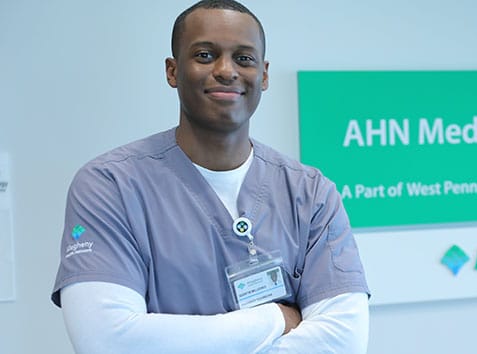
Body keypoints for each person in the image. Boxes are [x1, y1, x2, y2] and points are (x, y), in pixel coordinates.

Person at [51, 1, 370, 353]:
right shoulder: (109, 186)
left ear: (263, 75)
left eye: (244, 58)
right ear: (173, 71)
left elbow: (343, 341)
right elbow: (107, 341)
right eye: (204, 55)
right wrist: (274, 320)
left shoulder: (310, 193)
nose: (226, 70)